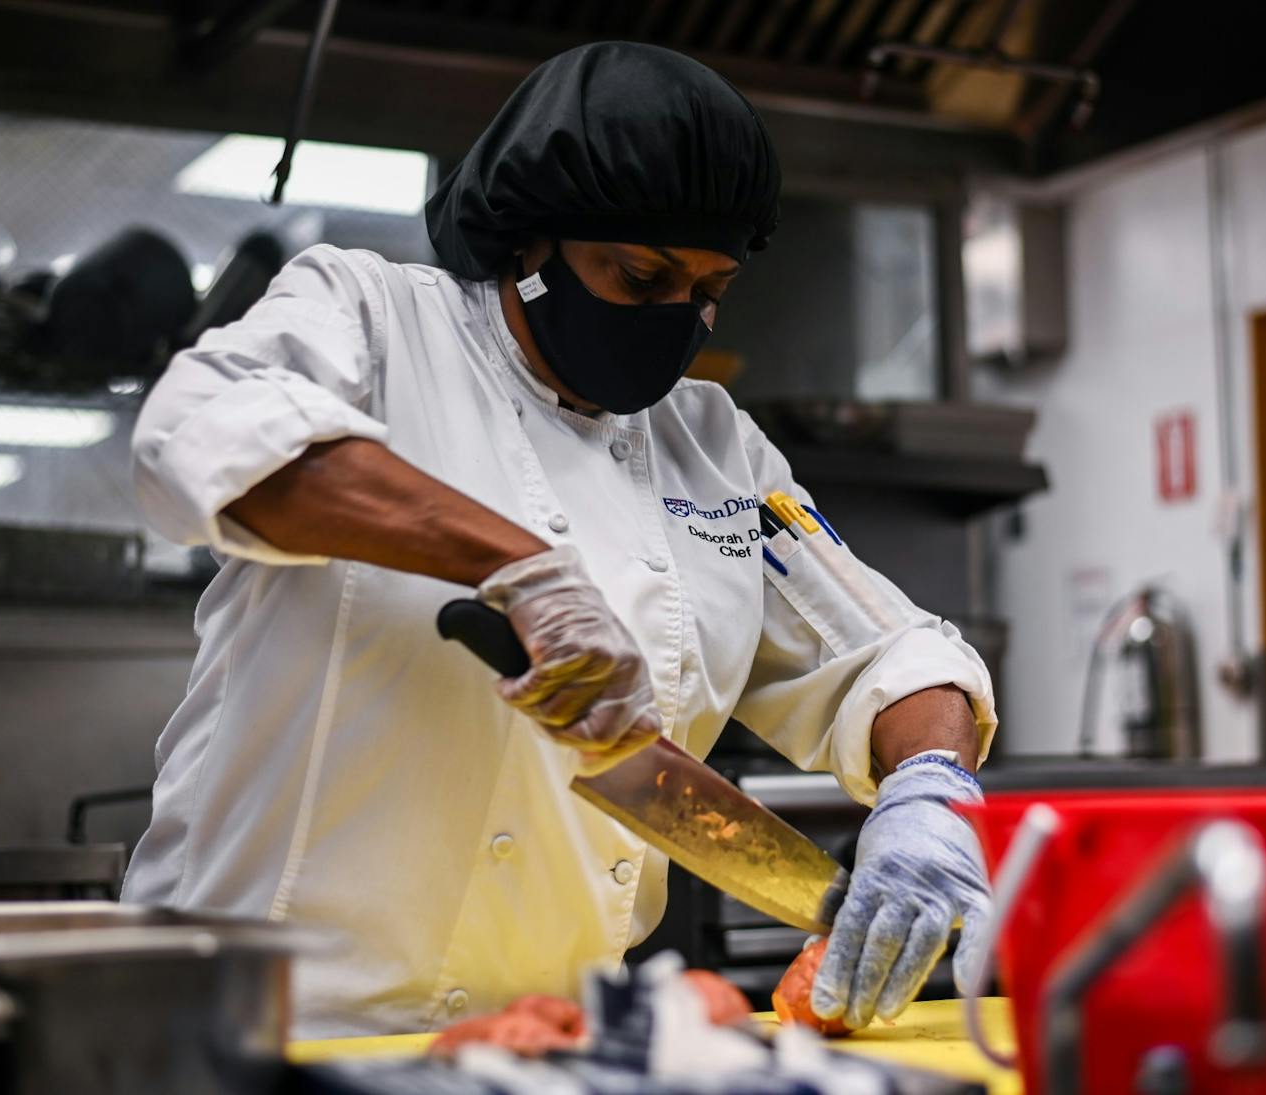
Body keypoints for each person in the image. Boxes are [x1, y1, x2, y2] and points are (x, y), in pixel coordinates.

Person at [122, 41, 999, 1039]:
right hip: (260, 1029)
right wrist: (520, 568)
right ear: (528, 244)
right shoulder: (371, 320)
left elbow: (886, 651)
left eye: (705, 289)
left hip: (536, 1044)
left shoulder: (712, 447)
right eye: (636, 275)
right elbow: (196, 435)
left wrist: (929, 788)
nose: (675, 317)